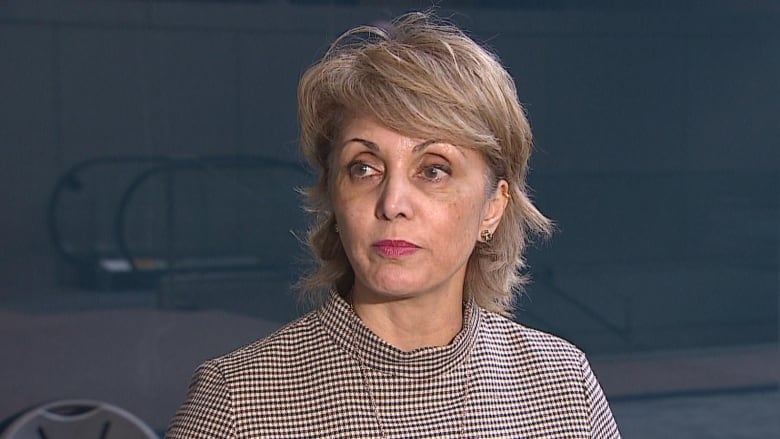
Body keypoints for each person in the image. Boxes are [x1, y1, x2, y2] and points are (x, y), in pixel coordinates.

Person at [167, 11, 620, 439]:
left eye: (434, 170)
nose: (392, 203)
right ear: (333, 197)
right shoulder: (239, 402)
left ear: (493, 207)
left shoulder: (563, 386)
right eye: (364, 168)